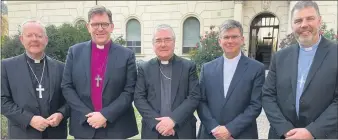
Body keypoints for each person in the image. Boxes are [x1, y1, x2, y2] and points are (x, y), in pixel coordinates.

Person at [262, 1, 337, 139]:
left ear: (319, 21)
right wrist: (284, 129)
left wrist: (312, 131)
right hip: (283, 135)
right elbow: (268, 95)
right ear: (292, 25)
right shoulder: (280, 57)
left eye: (310, 18)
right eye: (298, 20)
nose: (304, 24)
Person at [61, 5, 138, 139]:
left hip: (116, 127)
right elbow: (67, 87)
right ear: (88, 27)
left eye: (104, 24)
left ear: (111, 27)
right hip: (84, 125)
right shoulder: (75, 52)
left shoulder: (126, 55)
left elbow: (129, 90)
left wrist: (105, 115)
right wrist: (88, 115)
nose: (100, 28)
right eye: (95, 24)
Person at [197, 19, 265, 139]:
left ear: (242, 40)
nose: (230, 41)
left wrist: (230, 129)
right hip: (211, 134)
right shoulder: (207, 68)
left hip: (242, 134)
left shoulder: (256, 69)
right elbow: (201, 101)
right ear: (220, 41)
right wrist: (215, 129)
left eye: (234, 37)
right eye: (226, 37)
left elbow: (255, 105)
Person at [1, 20, 69, 139]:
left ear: (46, 40)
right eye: (29, 35)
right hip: (22, 134)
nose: (34, 39)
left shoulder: (61, 67)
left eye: (39, 36)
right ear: (22, 39)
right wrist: (29, 119)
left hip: (55, 134)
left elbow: (71, 98)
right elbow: (2, 100)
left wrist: (61, 114)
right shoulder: (6, 66)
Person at [134, 24, 201, 139]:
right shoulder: (144, 68)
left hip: (182, 130)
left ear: (174, 42)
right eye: (158, 40)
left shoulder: (188, 66)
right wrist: (158, 124)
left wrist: (173, 120)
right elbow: (139, 98)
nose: (163, 44)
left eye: (167, 40)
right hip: (153, 131)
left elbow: (194, 97)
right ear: (153, 45)